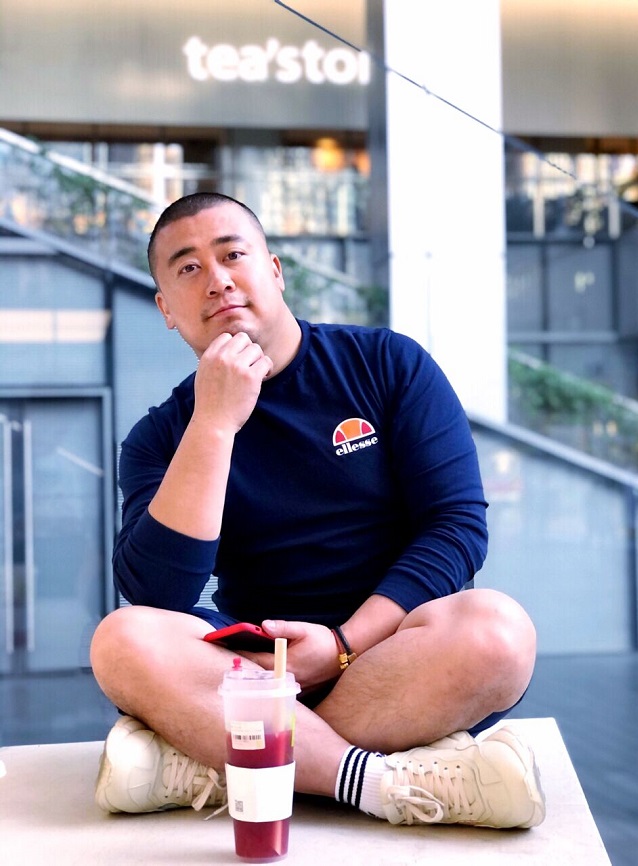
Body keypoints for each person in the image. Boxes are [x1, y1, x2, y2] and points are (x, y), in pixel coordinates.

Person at [90, 191, 545, 829]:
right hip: (255, 670)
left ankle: (229, 761)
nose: (217, 279)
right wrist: (214, 424)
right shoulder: (161, 436)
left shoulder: (387, 364)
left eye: (232, 255)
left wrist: (342, 646)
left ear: (274, 271)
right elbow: (156, 593)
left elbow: (457, 527)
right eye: (188, 268)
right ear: (166, 308)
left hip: (395, 652)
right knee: (121, 641)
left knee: (499, 632)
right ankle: (378, 781)